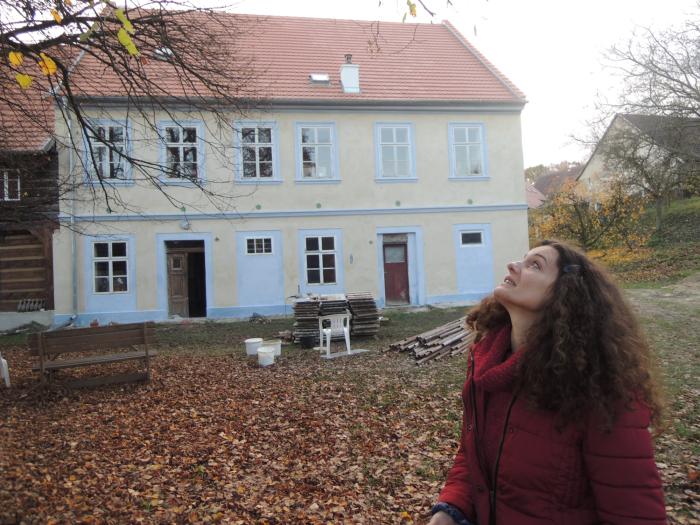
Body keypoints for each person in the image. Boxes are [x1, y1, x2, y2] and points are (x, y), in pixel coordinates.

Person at [428, 240, 667, 525]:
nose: (513, 265)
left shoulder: (600, 388)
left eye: (535, 265)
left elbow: (634, 513)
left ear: (565, 295)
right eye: (522, 258)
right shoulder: (487, 365)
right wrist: (450, 509)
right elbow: (472, 457)